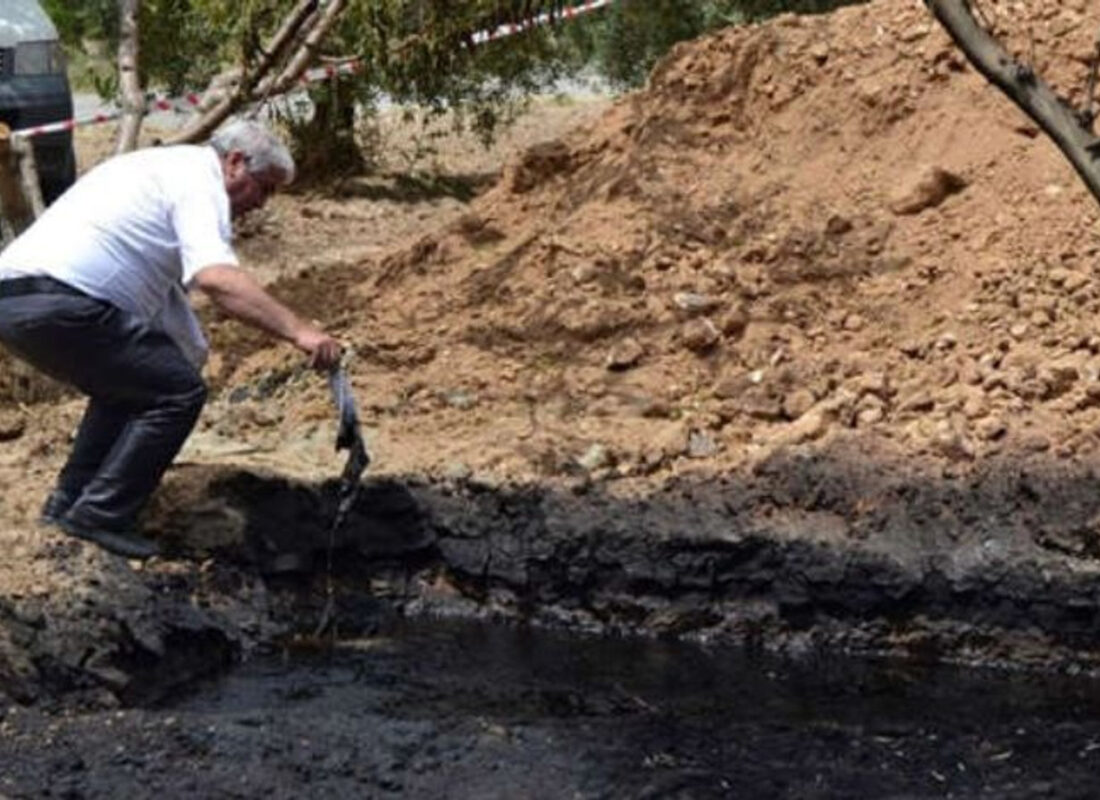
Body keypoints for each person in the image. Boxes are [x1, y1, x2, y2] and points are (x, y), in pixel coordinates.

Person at [0, 119, 341, 559]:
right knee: (177, 394)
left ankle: (68, 505)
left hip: (15, 300)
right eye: (265, 188)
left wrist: (185, 357)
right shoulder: (198, 183)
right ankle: (99, 515)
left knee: (131, 387)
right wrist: (301, 332)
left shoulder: (161, 169)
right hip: (61, 299)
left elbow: (171, 313)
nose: (262, 204)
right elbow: (217, 280)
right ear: (235, 163)